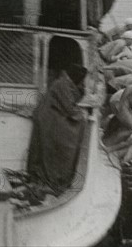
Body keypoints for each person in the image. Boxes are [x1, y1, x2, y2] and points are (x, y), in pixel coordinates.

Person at [26, 64, 89, 195]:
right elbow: (70, 108)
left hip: (55, 116)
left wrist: (81, 90)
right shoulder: (61, 85)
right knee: (66, 142)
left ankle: (53, 179)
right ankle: (52, 180)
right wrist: (81, 115)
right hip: (48, 118)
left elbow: (74, 101)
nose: (82, 82)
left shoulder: (66, 83)